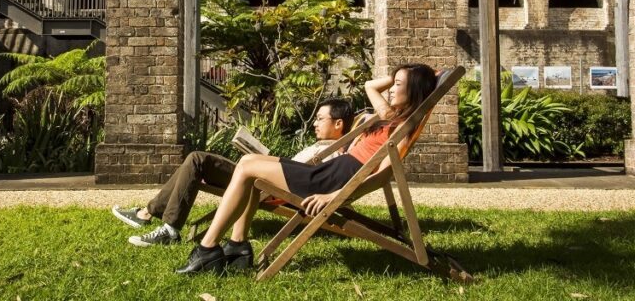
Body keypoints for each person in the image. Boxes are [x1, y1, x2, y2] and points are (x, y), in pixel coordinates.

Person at [175, 63, 438, 275]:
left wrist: (336, 197)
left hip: (332, 181)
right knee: (246, 164)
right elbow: (371, 85)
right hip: (332, 170)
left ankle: (208, 249)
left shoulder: (401, 129)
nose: (390, 89)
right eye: (392, 84)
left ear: (414, 91)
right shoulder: (389, 118)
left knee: (247, 168)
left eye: (398, 85)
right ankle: (236, 246)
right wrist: (399, 76)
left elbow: (383, 175)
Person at [113, 98, 355, 247]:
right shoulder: (325, 147)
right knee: (195, 160)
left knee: (198, 159)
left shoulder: (334, 153)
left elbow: (313, 180)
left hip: (265, 186)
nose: (315, 123)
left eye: (320, 119)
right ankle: (148, 213)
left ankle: (167, 227)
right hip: (265, 175)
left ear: (338, 124)